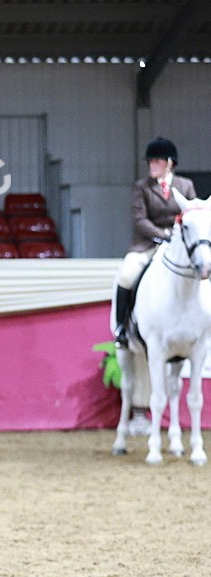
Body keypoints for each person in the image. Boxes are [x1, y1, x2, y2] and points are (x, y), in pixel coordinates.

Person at [111, 137, 196, 434]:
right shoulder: (141, 187)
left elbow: (191, 215)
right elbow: (139, 219)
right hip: (146, 245)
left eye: (157, 160)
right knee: (126, 275)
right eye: (150, 161)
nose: (152, 165)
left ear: (170, 162)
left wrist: (178, 236)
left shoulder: (185, 186)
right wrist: (162, 235)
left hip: (179, 248)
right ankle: (122, 327)